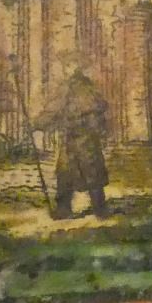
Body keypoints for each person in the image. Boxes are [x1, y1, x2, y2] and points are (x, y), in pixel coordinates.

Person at [37, 70, 110, 219]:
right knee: (68, 174)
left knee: (87, 175)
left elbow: (54, 111)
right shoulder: (88, 89)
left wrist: (36, 123)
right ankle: (88, 210)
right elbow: (54, 112)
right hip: (79, 140)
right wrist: (38, 123)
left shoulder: (73, 89)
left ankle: (97, 210)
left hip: (82, 140)